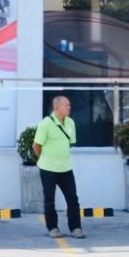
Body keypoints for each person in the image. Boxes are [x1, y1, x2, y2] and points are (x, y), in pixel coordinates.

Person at [34, 94, 84, 239]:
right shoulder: (45, 123)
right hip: (48, 168)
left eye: (69, 105)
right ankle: (53, 228)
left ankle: (76, 228)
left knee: (72, 199)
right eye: (66, 105)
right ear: (56, 107)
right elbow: (36, 146)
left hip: (65, 168)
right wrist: (45, 159)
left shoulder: (70, 123)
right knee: (49, 200)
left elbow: (70, 143)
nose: (69, 107)